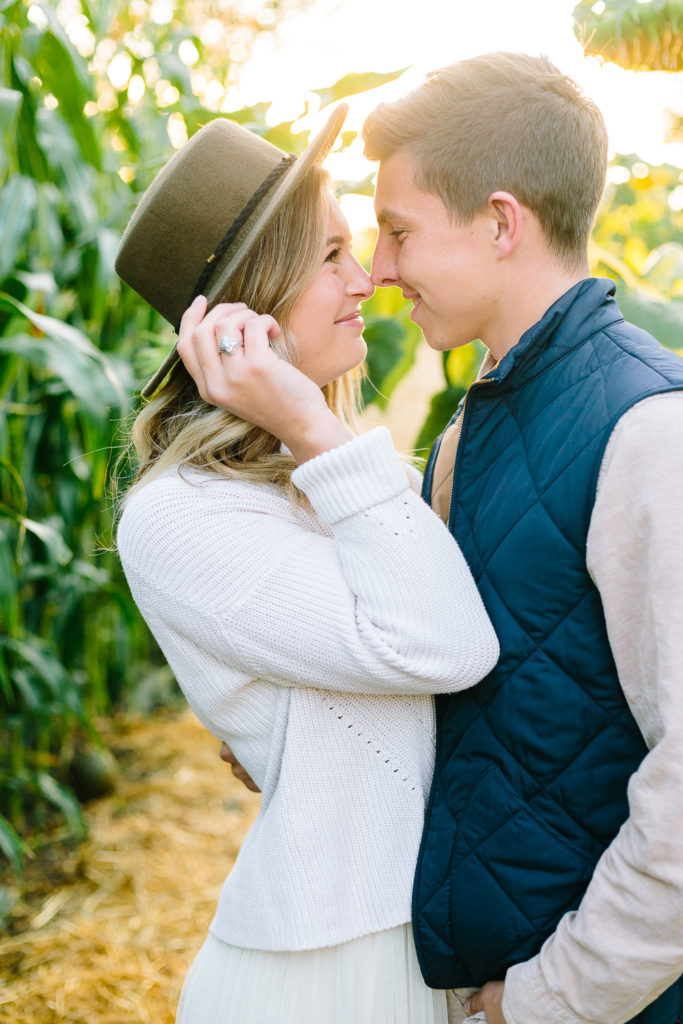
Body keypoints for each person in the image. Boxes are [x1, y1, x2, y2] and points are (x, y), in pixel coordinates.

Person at [114, 107, 499, 1023]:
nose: (366, 279)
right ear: (250, 302)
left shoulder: (315, 483)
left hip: (407, 938)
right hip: (327, 969)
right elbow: (447, 645)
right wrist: (314, 423)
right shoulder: (179, 516)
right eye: (331, 255)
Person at [358, 51, 683, 1024]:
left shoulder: (646, 431)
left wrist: (546, 1001)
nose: (378, 271)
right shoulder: (472, 426)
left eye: (397, 231)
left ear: (500, 222)